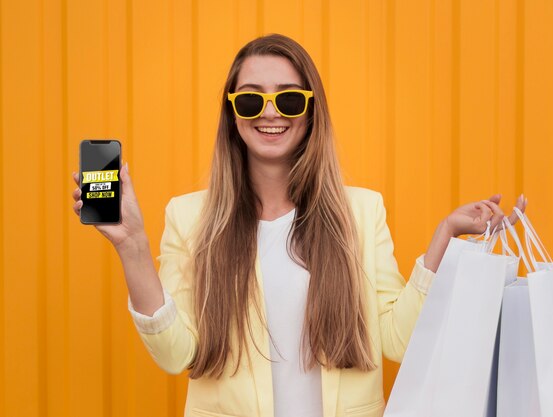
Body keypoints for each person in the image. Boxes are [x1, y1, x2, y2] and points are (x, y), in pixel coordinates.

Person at [71, 34, 526, 417]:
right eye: (251, 99)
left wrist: (443, 236)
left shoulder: (362, 212)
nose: (270, 112)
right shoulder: (189, 217)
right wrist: (131, 246)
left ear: (311, 110)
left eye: (288, 97)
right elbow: (176, 355)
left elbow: (396, 341)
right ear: (233, 114)